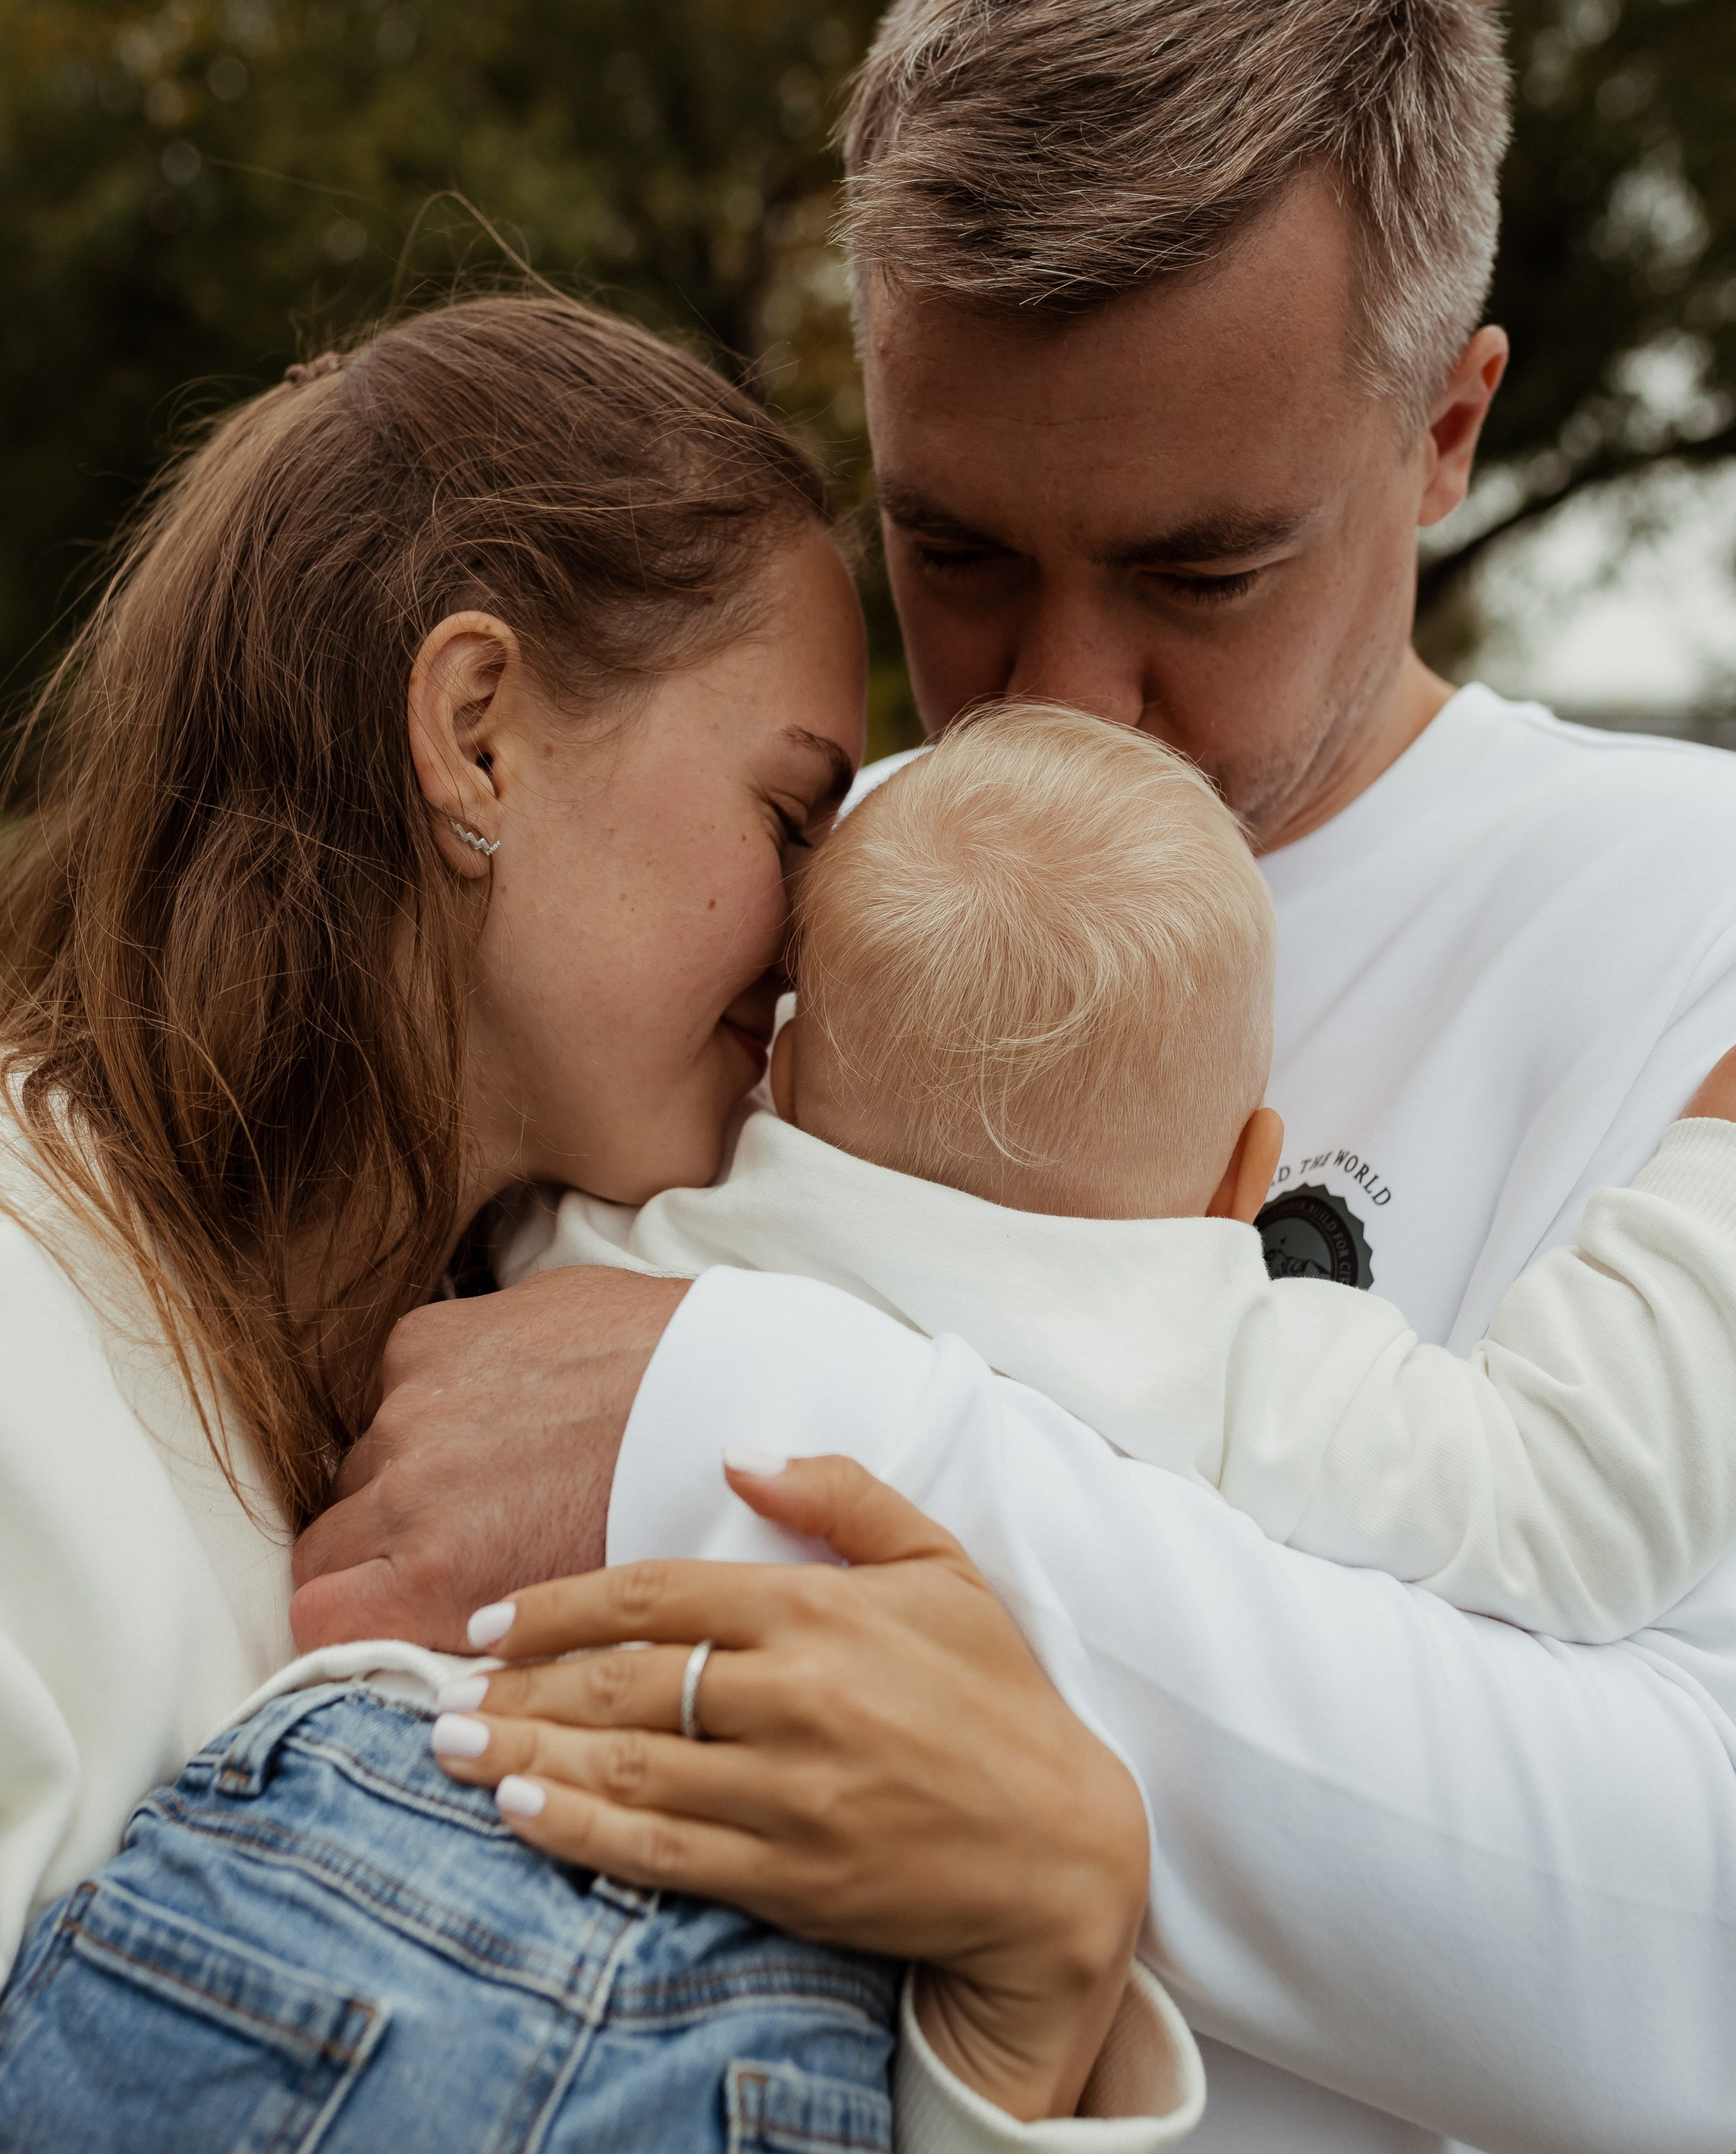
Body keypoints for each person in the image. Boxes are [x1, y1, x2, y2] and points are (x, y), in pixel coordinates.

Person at [293, 0, 1736, 2154]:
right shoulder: (771, 887)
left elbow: (1671, 1962)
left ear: (1449, 430)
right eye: (952, 546)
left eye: (1200, 573)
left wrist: (714, 1440)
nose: (1052, 702)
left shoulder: (1689, 941)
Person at [0, 300, 1198, 2154]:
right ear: (476, 735)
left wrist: (1030, 2002)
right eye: (796, 811)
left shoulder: (547, 1410)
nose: (830, 930)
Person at [514, 698, 1736, 1646]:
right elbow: (1576, 1496)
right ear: (1246, 1182)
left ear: (780, 1069)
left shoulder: (646, 1236)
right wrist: (1713, 1167)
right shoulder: (1229, 1362)